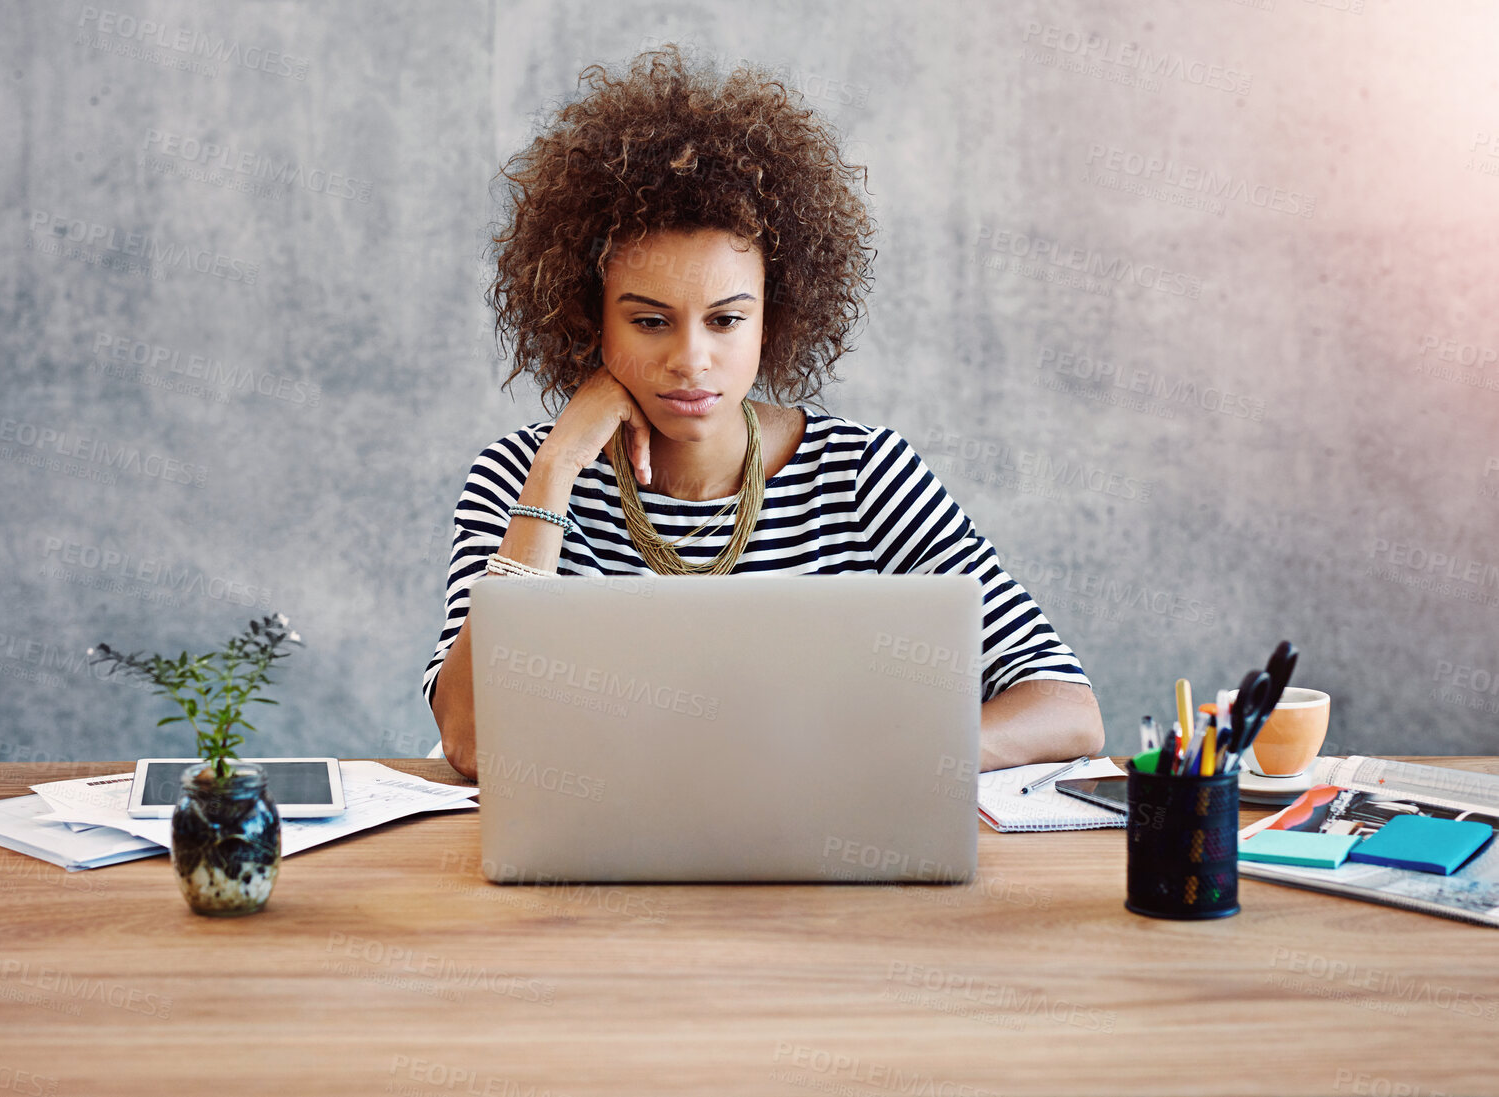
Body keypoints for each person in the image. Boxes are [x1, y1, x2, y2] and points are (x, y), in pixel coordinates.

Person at [424, 45, 1103, 781]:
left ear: (772, 321)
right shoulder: (519, 476)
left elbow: (1067, 707)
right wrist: (554, 469)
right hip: (601, 881)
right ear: (592, 321)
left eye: (725, 320)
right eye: (650, 322)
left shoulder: (864, 476)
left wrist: (884, 761)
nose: (691, 359)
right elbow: (469, 737)